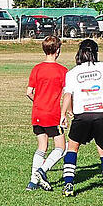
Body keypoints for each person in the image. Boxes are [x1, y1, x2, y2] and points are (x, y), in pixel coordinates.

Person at [59, 39, 103, 199]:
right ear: (95, 52)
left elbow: (68, 94)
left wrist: (62, 114)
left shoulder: (73, 72)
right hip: (101, 115)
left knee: (72, 148)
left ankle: (68, 184)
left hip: (82, 115)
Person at [25, 35, 68, 191]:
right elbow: (67, 94)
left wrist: (38, 102)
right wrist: (67, 112)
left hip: (37, 113)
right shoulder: (63, 71)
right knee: (60, 147)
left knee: (42, 146)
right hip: (53, 114)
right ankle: (41, 171)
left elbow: (29, 92)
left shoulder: (36, 68)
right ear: (57, 51)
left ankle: (32, 183)